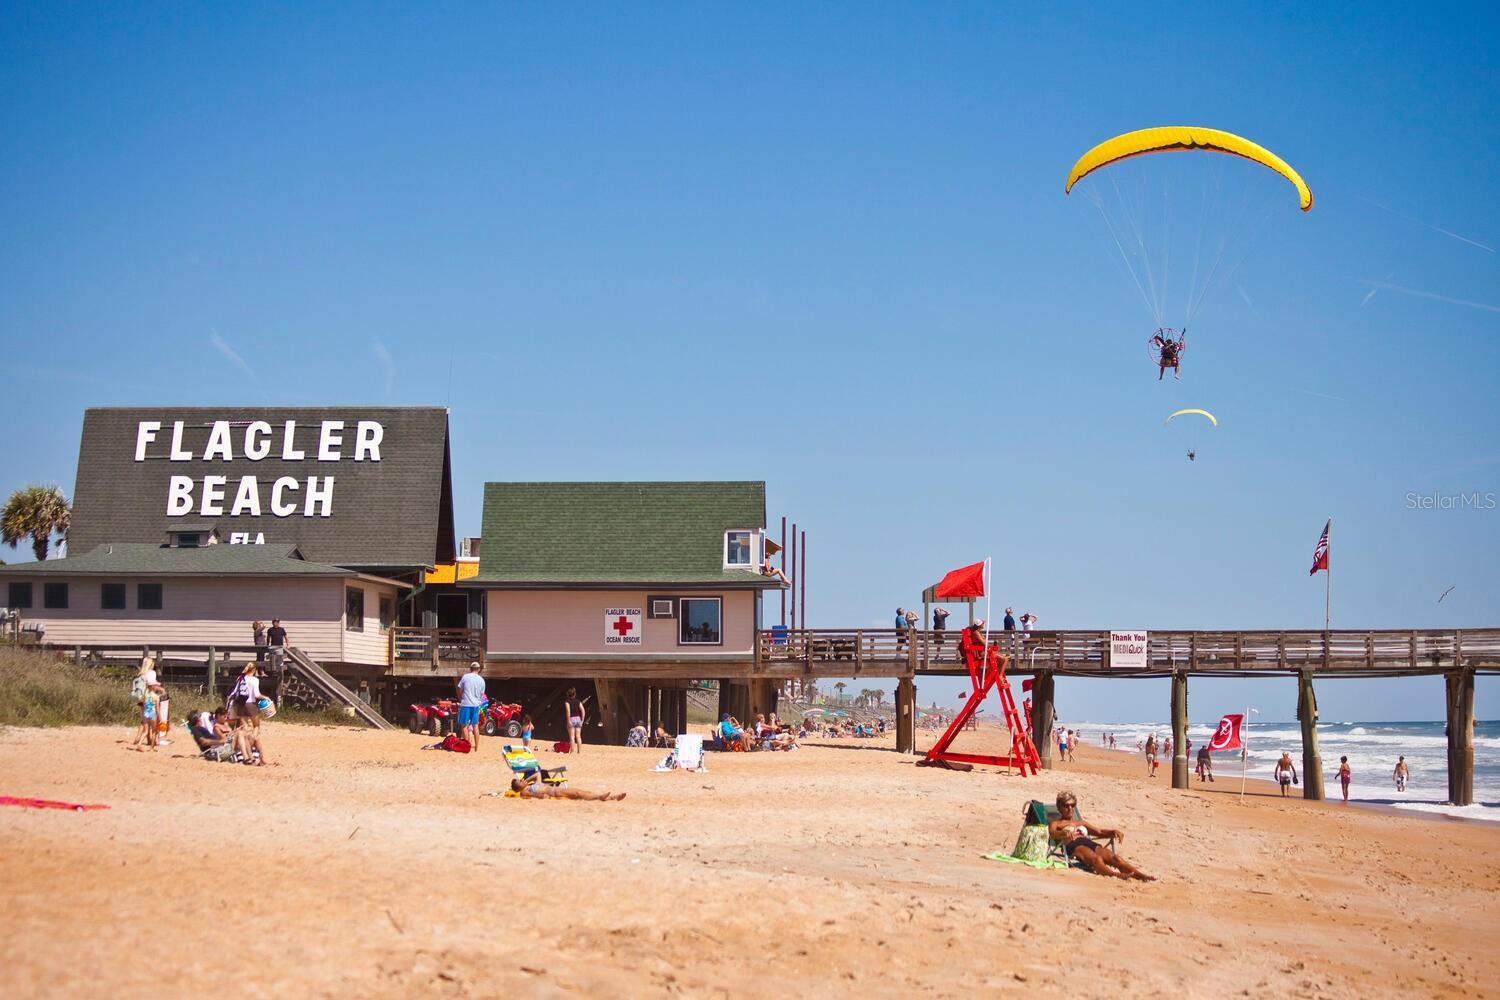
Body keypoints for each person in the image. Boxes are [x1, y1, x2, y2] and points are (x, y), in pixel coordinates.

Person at [1048, 791, 1155, 881]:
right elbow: (1052, 833)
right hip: (1073, 845)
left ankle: (1140, 875)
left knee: (1116, 858)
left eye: (1072, 805)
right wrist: (1063, 833)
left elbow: (1099, 832)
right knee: (1097, 859)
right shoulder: (1056, 823)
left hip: (1088, 842)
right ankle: (1116, 875)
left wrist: (1112, 832)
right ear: (1059, 807)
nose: (1070, 808)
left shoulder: (1081, 822)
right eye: (1066, 805)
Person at [456, 662, 486, 753]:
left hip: (466, 704)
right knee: (475, 726)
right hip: (476, 705)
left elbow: (461, 690)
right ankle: (476, 747)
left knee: (464, 725)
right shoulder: (481, 680)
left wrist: (463, 697)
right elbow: (482, 694)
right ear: (479, 669)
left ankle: (467, 746)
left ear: (470, 668)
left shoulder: (465, 677)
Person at [509, 777, 625, 801]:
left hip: (556, 789)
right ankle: (600, 797)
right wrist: (542, 796)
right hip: (555, 792)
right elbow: (538, 796)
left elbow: (537, 773)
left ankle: (612, 797)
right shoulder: (524, 791)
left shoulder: (529, 786)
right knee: (578, 793)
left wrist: (527, 780)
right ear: (518, 787)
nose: (523, 780)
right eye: (520, 781)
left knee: (583, 792)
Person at [563, 687, 586, 754]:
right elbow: (583, 711)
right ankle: (579, 751)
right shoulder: (578, 701)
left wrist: (568, 721)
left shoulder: (567, 702)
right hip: (578, 719)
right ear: (574, 694)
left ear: (568, 694)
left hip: (571, 719)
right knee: (578, 736)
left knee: (572, 737)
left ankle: (572, 751)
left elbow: (568, 711)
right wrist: (582, 720)